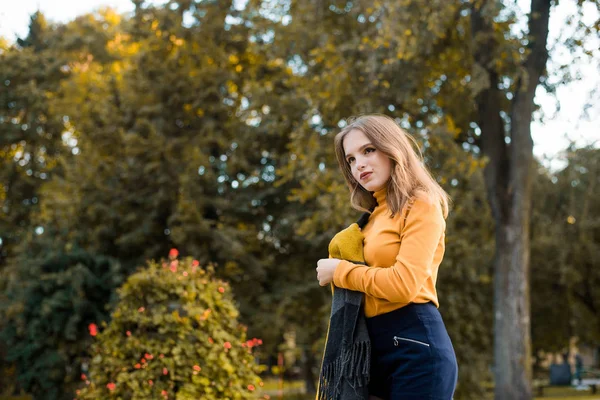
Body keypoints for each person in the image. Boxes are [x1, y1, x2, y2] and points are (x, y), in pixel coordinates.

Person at [316, 114, 458, 400]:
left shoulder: (421, 203)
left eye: (368, 150)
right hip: (370, 350)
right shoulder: (369, 219)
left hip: (416, 346)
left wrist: (340, 271)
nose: (359, 165)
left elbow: (403, 285)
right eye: (351, 160)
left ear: (391, 148)